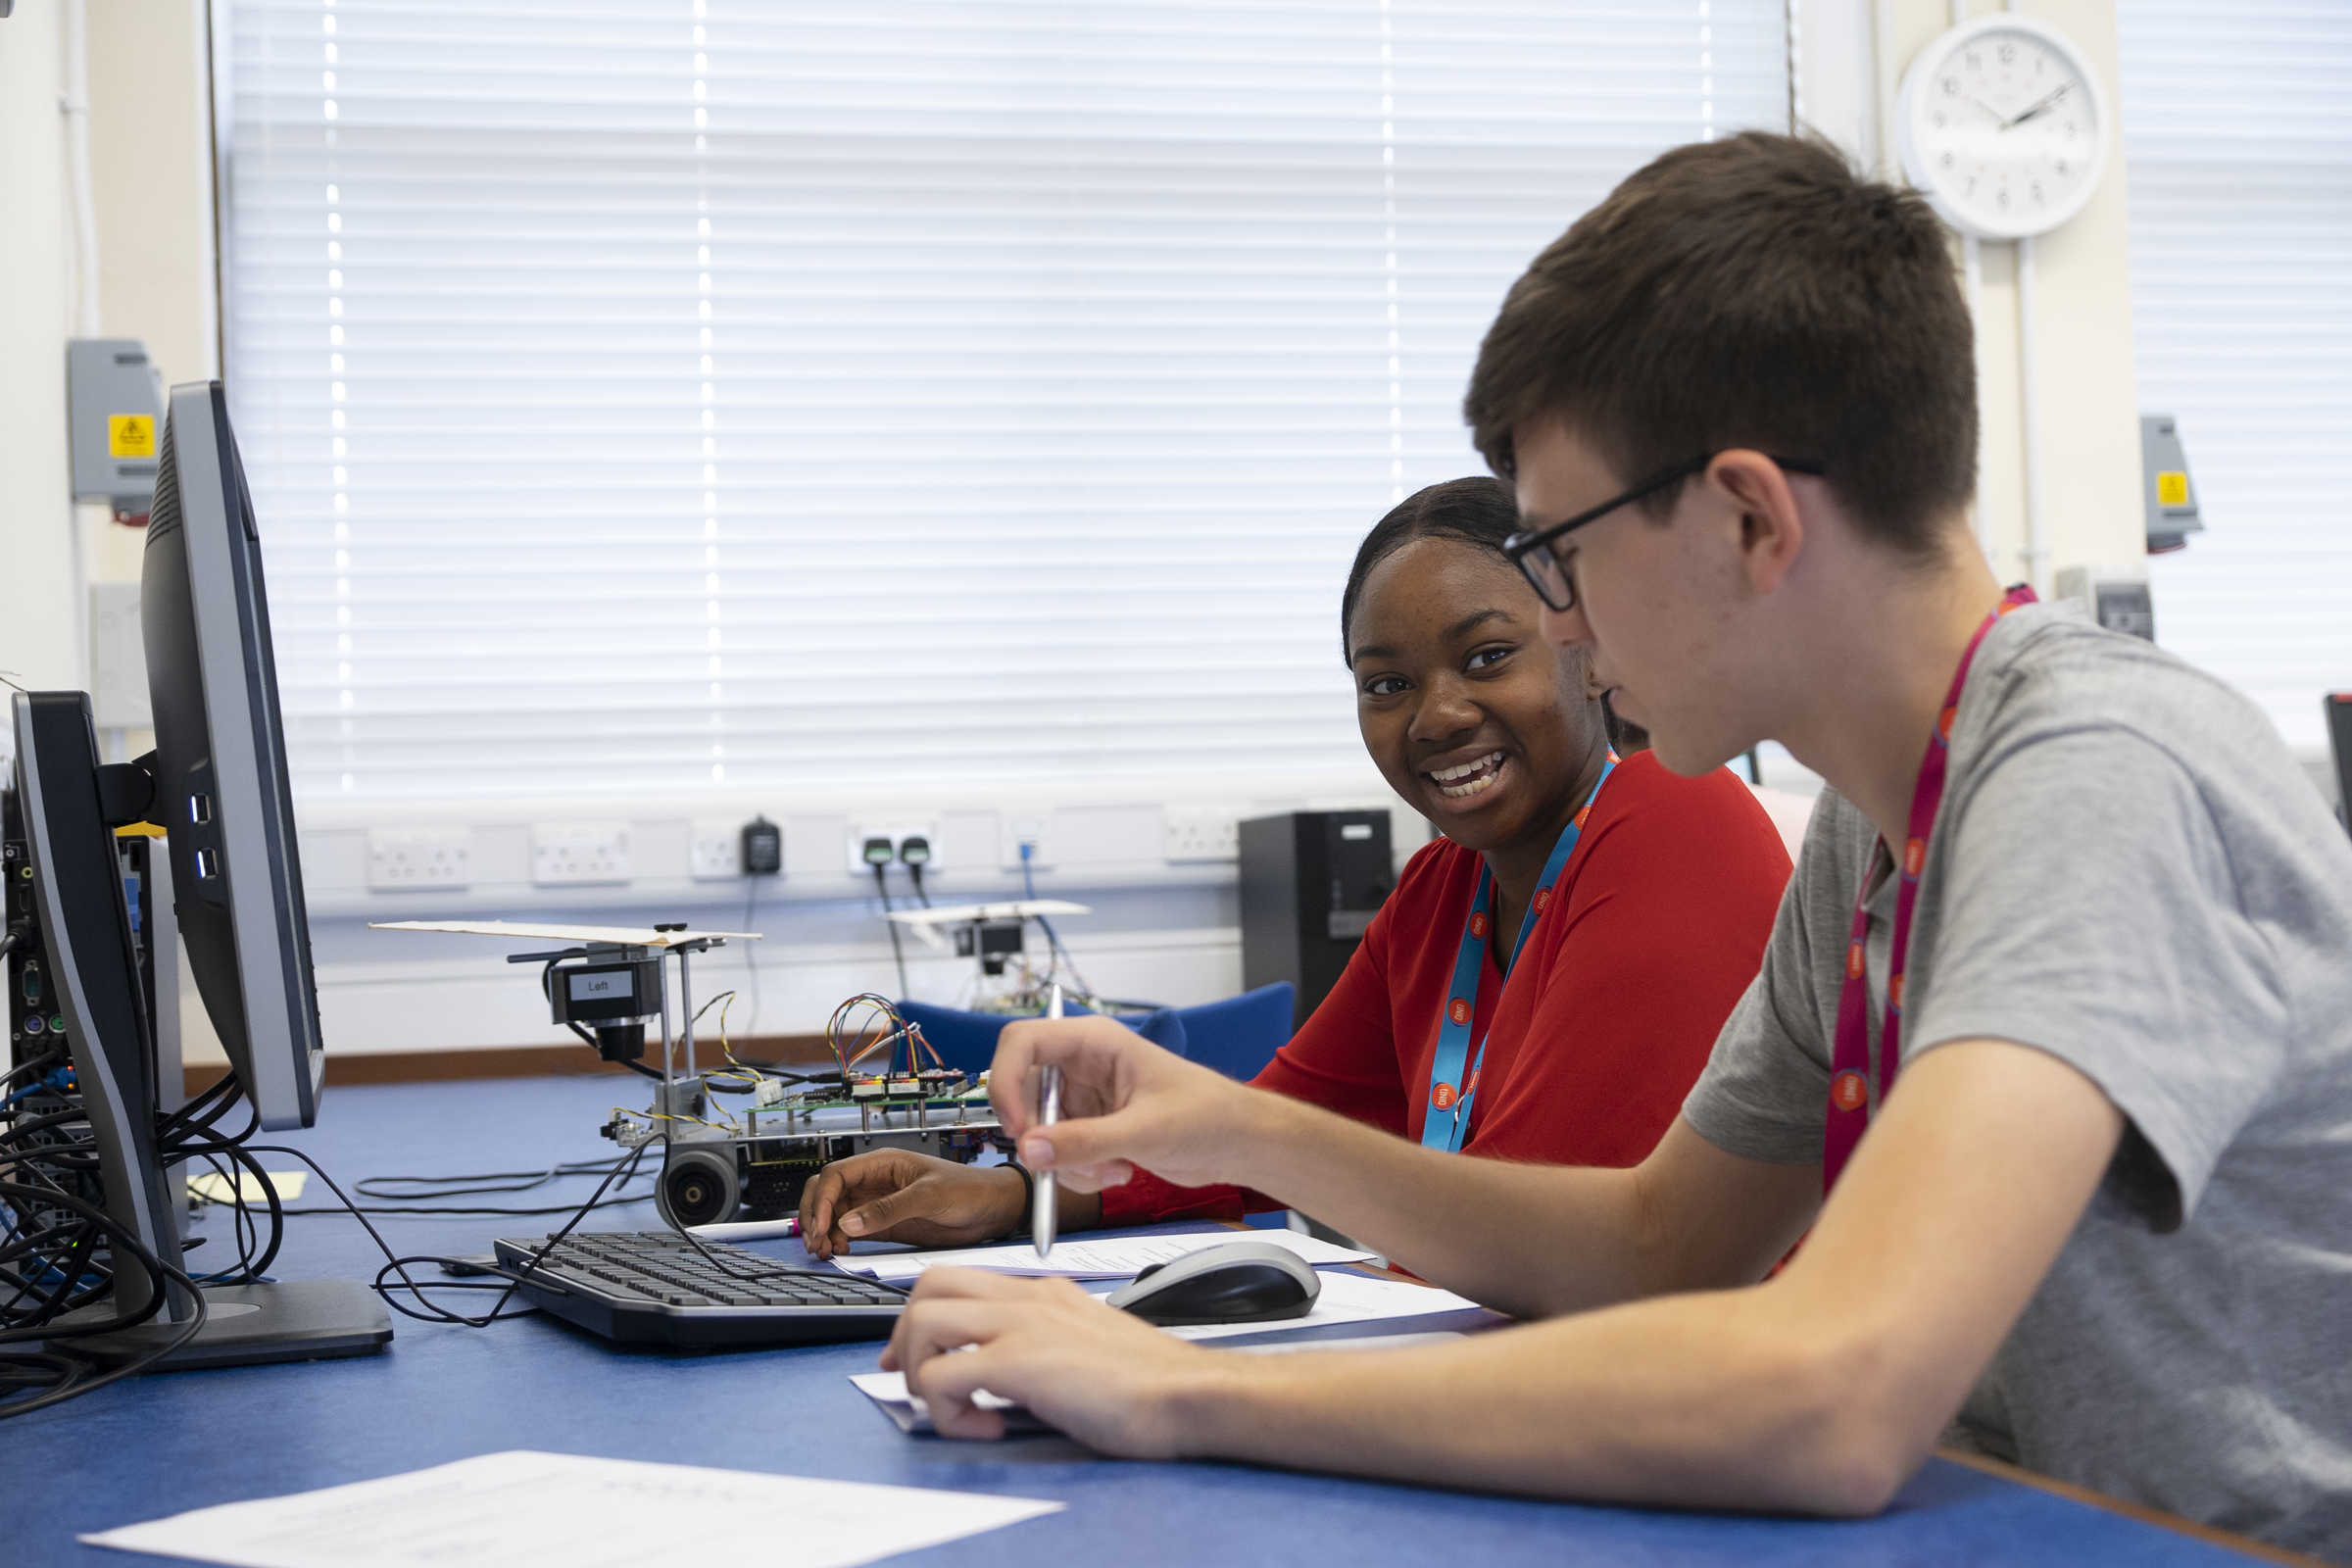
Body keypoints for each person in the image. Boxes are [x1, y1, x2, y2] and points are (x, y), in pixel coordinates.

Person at [877, 132, 2352, 1560]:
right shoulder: (1876, 826)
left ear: (1748, 520)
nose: (1565, 627)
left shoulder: (2097, 781)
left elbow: (1836, 1393)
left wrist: (1181, 1389)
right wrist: (1235, 1125)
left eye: (1563, 558)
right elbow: (1656, 1245)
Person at [798, 477, 1791, 1257]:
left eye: (1487, 656)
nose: (1437, 714)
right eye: (1388, 683)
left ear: (1590, 650)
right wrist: (1016, 1194)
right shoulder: (1441, 894)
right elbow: (1273, 1127)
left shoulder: (1676, 816)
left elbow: (1539, 1236)